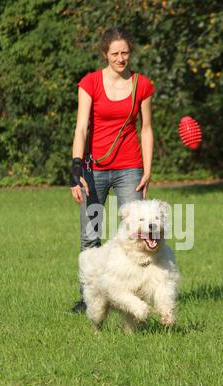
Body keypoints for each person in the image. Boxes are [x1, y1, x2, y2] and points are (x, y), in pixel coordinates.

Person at [70, 27, 155, 313]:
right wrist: (75, 168)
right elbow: (81, 128)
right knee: (90, 234)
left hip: (130, 168)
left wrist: (148, 168)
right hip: (94, 169)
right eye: (115, 53)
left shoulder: (141, 85)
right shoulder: (90, 83)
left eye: (125, 53)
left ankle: (135, 292)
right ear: (105, 53)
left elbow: (146, 128)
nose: (121, 58)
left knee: (138, 232)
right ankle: (88, 297)